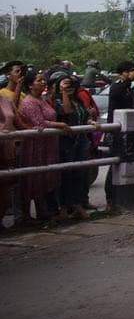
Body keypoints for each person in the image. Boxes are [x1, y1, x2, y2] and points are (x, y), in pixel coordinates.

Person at [18, 71, 67, 223]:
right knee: (34, 178)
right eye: (39, 81)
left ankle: (42, 211)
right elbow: (39, 123)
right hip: (35, 146)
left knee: (44, 177)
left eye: (43, 80)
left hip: (48, 144)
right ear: (30, 85)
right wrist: (60, 125)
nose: (43, 83)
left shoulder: (42, 100)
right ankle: (26, 215)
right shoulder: (29, 102)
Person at [51, 70, 90, 220]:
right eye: (65, 82)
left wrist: (90, 122)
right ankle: (64, 207)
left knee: (79, 174)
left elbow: (84, 115)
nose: (70, 85)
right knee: (65, 174)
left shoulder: (78, 100)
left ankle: (77, 204)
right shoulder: (56, 100)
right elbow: (66, 111)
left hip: (80, 140)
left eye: (71, 82)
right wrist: (64, 93)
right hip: (66, 142)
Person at [104, 60, 134, 210]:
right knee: (118, 164)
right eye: (131, 71)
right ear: (124, 72)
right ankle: (111, 198)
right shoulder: (118, 86)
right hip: (118, 131)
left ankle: (120, 197)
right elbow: (117, 95)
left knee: (129, 164)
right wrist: (128, 80)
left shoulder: (130, 88)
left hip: (129, 131)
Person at [1, 60, 25, 227]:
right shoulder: (5, 94)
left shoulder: (8, 101)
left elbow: (19, 119)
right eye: (17, 71)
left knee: (8, 186)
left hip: (8, 146)